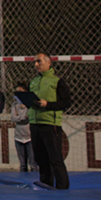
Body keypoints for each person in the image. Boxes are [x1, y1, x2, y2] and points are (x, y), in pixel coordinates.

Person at [28, 53, 71, 189]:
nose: (36, 64)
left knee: (55, 157)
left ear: (48, 63)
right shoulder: (33, 81)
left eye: (39, 61)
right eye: (35, 62)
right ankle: (46, 184)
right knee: (40, 158)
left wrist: (48, 105)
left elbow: (66, 102)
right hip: (35, 123)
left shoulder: (57, 81)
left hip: (50, 124)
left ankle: (62, 187)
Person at [12, 82, 38, 173]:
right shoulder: (15, 105)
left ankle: (34, 179)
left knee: (33, 163)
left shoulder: (30, 105)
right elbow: (13, 118)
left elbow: (30, 117)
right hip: (18, 137)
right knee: (22, 164)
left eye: (20, 91)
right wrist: (23, 117)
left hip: (29, 137)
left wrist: (20, 118)